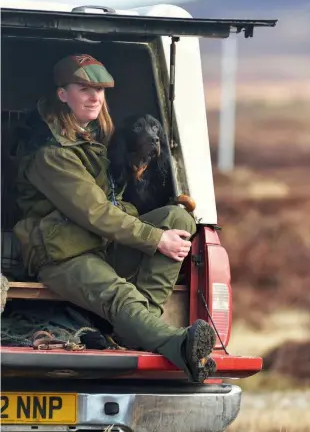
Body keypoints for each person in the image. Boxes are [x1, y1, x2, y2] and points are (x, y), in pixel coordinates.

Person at [13, 54, 217, 382]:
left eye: (100, 90)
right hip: (63, 254)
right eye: (84, 89)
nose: (95, 97)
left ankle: (137, 328)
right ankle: (177, 345)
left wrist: (156, 223)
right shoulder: (50, 154)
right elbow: (95, 212)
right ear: (63, 95)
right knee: (120, 294)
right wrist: (154, 238)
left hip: (101, 244)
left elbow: (114, 203)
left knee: (178, 219)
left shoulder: (92, 140)